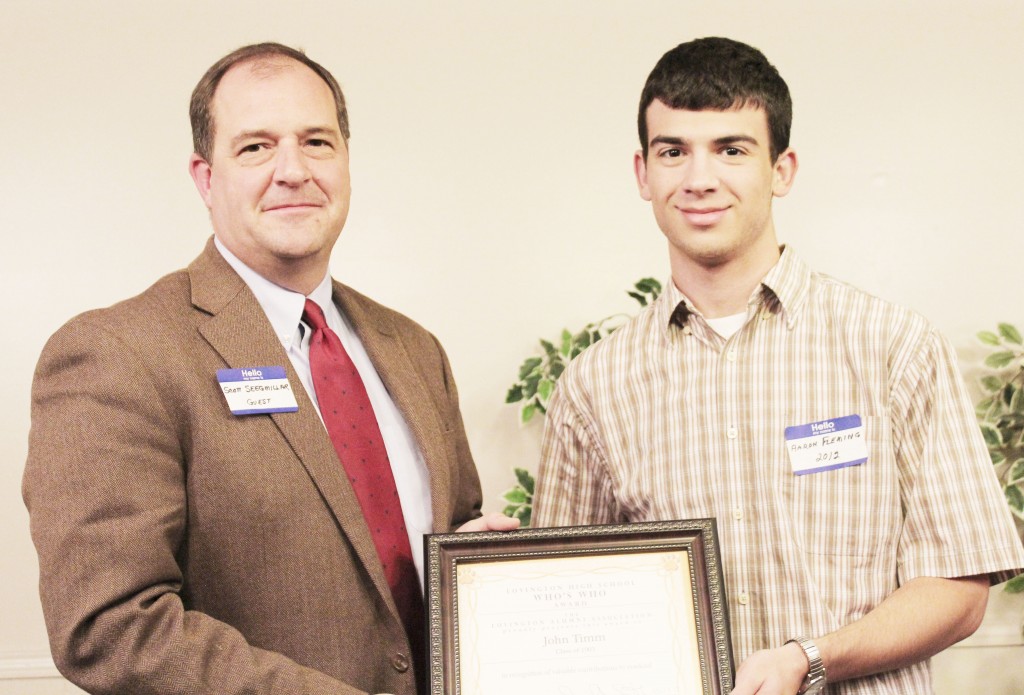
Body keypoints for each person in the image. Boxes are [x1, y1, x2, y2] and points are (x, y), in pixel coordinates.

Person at [533, 37, 1024, 695]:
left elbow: (960, 589)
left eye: (732, 149)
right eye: (673, 151)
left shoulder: (893, 346)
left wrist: (809, 656)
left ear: (782, 169)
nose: (699, 178)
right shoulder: (594, 387)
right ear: (643, 173)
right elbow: (562, 609)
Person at [23, 42, 515, 695]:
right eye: (255, 147)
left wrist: (478, 570)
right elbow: (111, 626)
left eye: (317, 142)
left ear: (344, 160)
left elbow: (437, 561)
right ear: (204, 177)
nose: (293, 170)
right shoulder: (117, 353)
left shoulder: (414, 350)